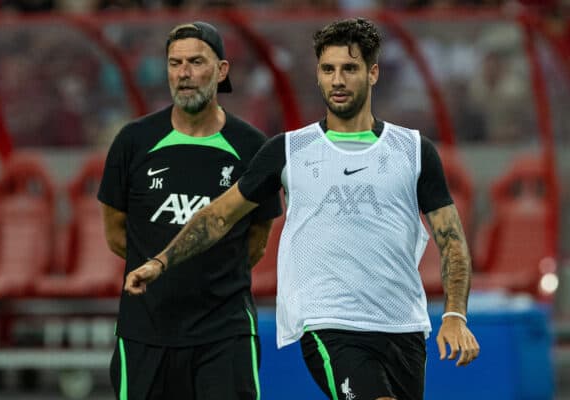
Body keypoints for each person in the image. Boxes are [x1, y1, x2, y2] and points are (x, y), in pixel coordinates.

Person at [124, 18, 480, 400]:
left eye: (349, 68)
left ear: (373, 73)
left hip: (404, 326)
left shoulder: (413, 150)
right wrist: (160, 261)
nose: (337, 80)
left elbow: (452, 241)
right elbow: (219, 215)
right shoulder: (289, 150)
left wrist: (455, 314)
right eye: (328, 69)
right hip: (330, 323)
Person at [98, 21, 282, 400]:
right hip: (146, 330)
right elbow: (117, 233)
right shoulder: (133, 141)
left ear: (222, 70)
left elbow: (257, 240)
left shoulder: (250, 146)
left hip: (224, 331)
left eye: (196, 62)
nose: (184, 73)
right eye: (174, 63)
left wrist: (209, 277)